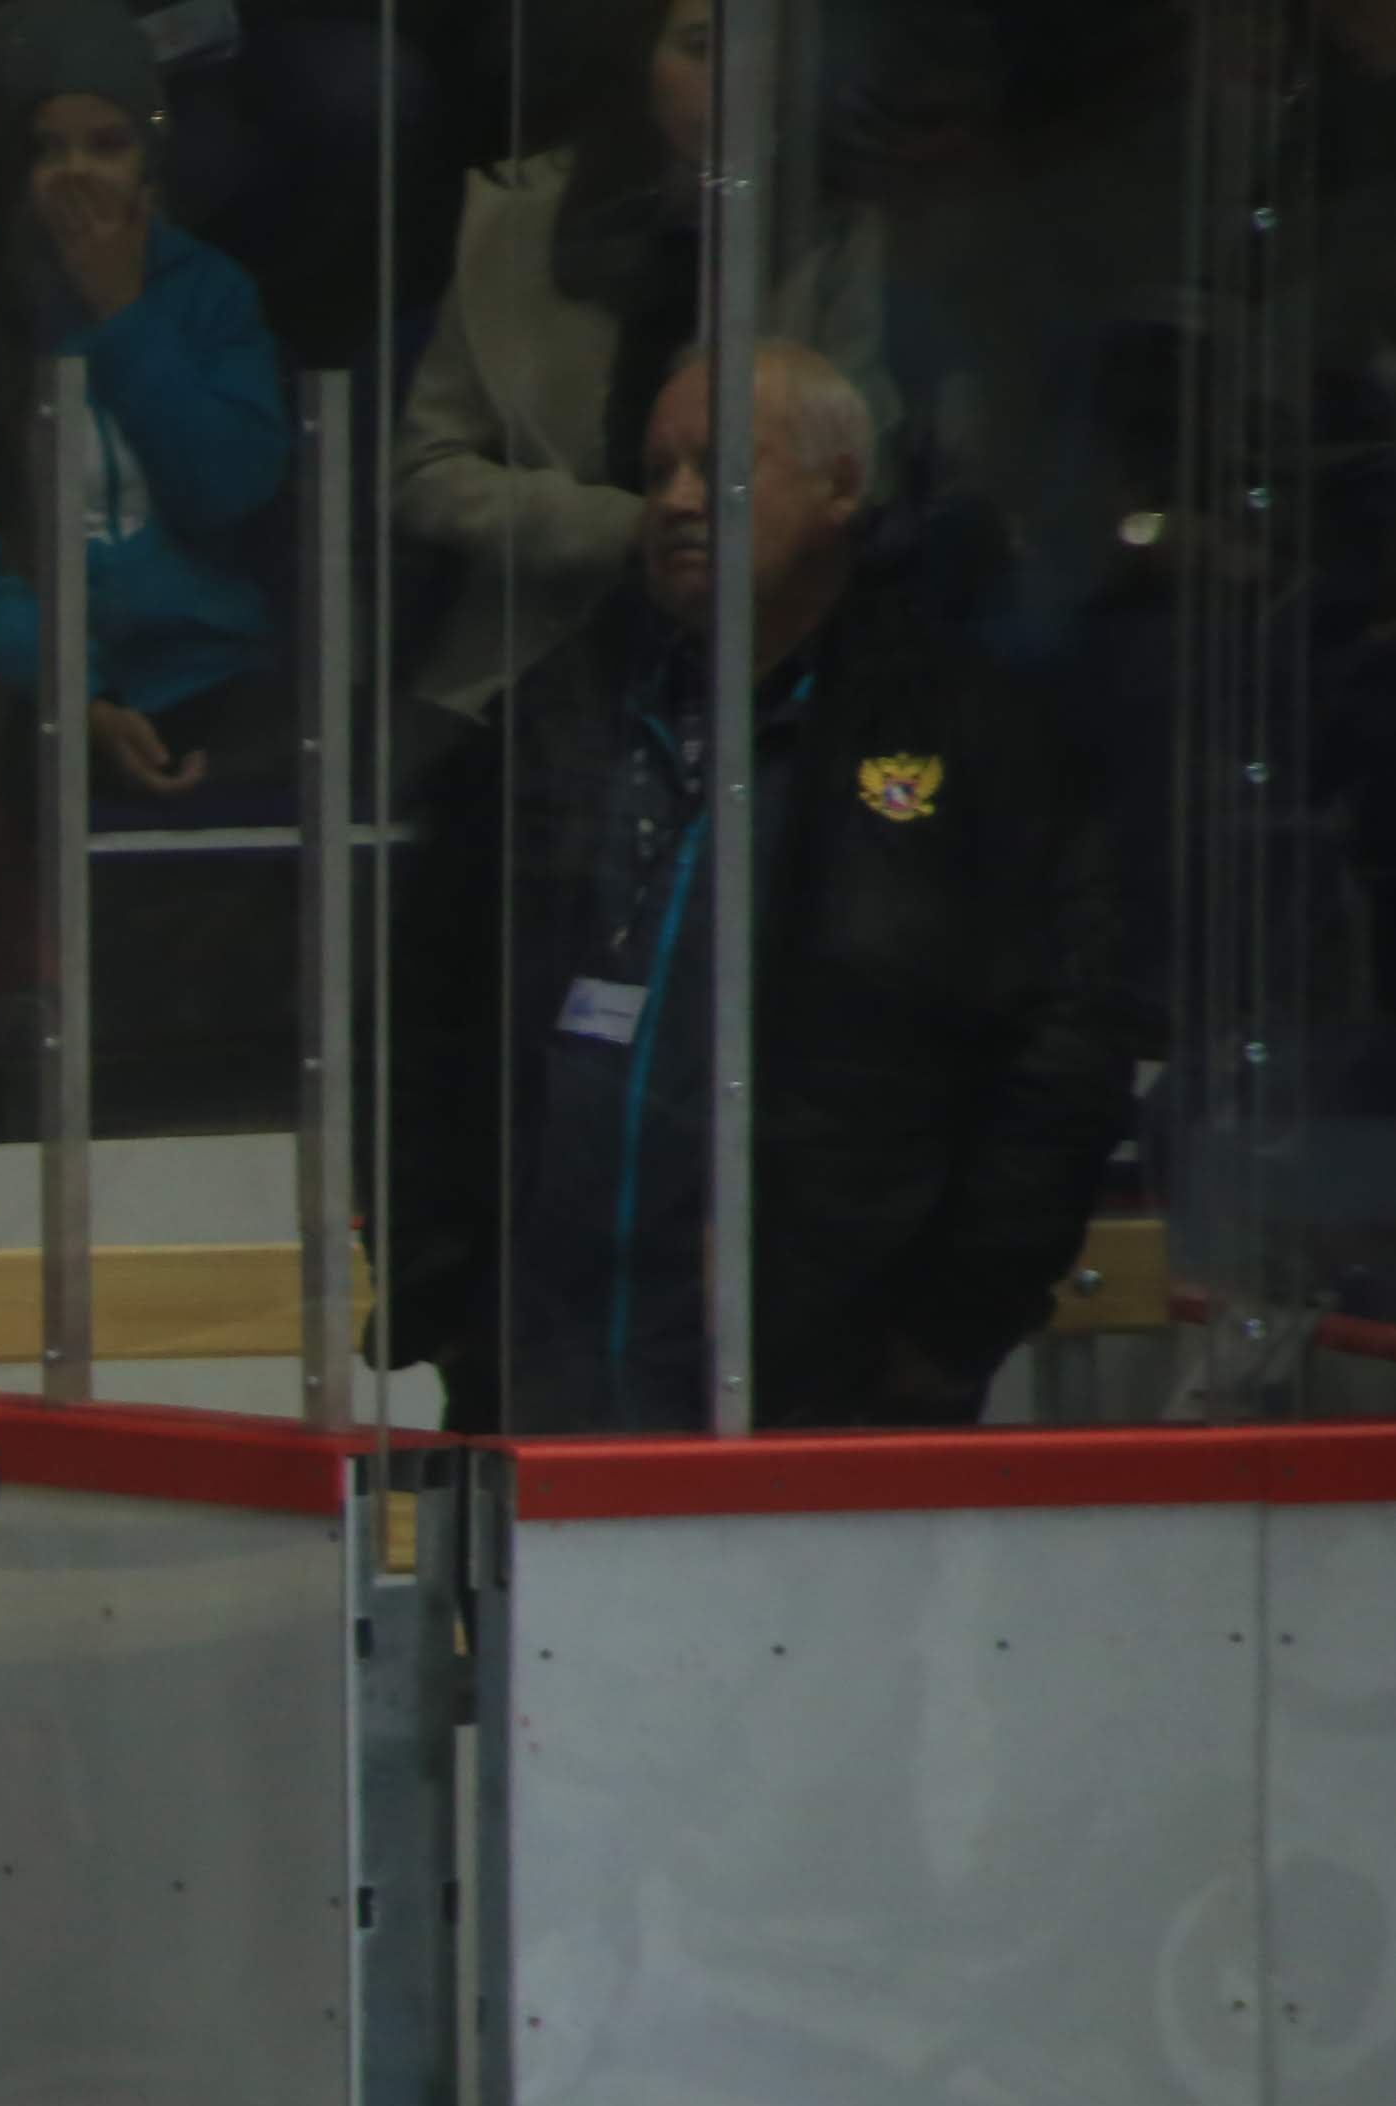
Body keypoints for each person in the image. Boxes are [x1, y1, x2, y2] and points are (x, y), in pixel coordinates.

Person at [389, 347, 1142, 1435]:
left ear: (842, 488)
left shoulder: (971, 736)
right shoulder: (551, 717)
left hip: (827, 1394)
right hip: (543, 1377)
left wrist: (949, 1330)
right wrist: (442, 1290)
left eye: (720, 466)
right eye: (656, 471)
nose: (675, 501)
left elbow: (1065, 1050)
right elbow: (424, 1008)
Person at [395, 0, 892, 727]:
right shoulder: (512, 220)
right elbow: (422, 471)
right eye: (699, 48)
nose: (733, 79)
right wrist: (625, 529)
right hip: (513, 675)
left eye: (760, 52)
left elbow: (861, 480)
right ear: (639, 61)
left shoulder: (834, 235)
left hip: (766, 678)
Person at [0, 0, 291, 800]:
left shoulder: (212, 295)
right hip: (31, 689)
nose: (76, 171)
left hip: (213, 671)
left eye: (108, 144)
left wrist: (123, 313)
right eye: (48, 148)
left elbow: (230, 489)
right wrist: (80, 698)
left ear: (152, 159)